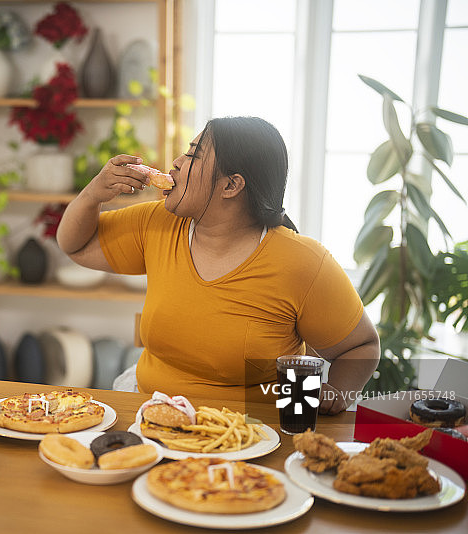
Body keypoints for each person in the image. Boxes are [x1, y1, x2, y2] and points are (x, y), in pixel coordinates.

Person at [56, 116, 379, 415]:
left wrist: (333, 397)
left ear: (231, 186)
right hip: (152, 412)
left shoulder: (303, 262)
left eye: (193, 156)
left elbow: (361, 346)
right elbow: (76, 245)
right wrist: (92, 195)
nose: (176, 163)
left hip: (251, 434)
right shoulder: (159, 223)